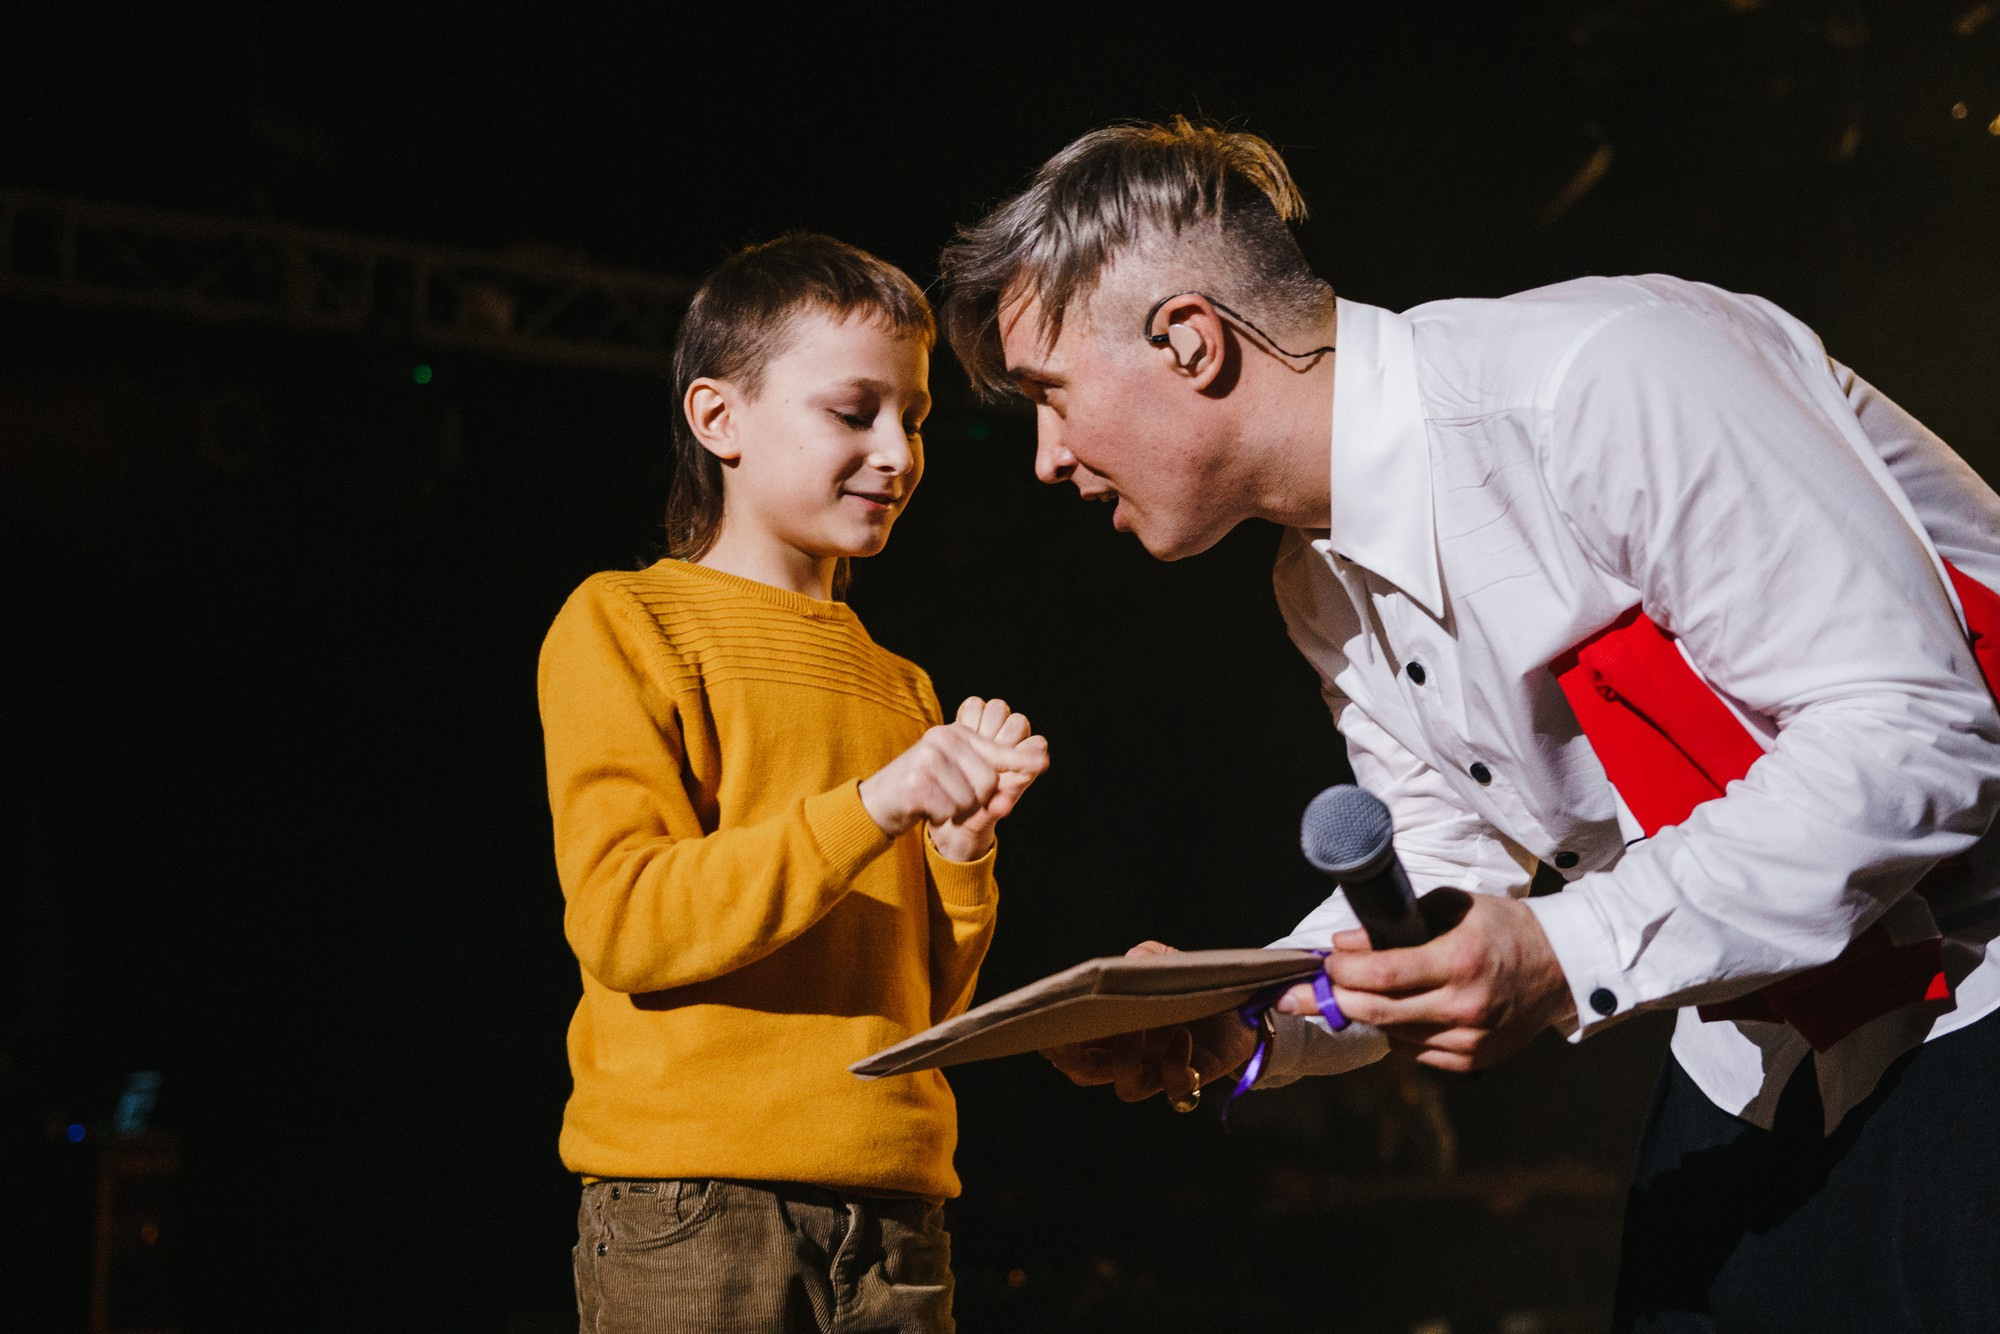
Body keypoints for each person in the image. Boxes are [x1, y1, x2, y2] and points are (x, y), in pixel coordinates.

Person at [939, 118, 2000, 1329]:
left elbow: (1916, 725)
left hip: (1973, 991)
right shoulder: (1314, 581)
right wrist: (1241, 1013)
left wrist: (1564, 951)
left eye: (1048, 397)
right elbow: (1442, 872)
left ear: (1188, 340)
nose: (1043, 456)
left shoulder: (1599, 378)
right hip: (1760, 1049)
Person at [539, 233, 1050, 1333]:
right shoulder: (625, 622)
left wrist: (961, 852)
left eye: (911, 420)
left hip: (898, 1211)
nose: (896, 452)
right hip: (697, 1204)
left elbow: (923, 1002)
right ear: (716, 417)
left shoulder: (898, 681)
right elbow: (627, 921)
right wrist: (873, 806)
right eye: (851, 410)